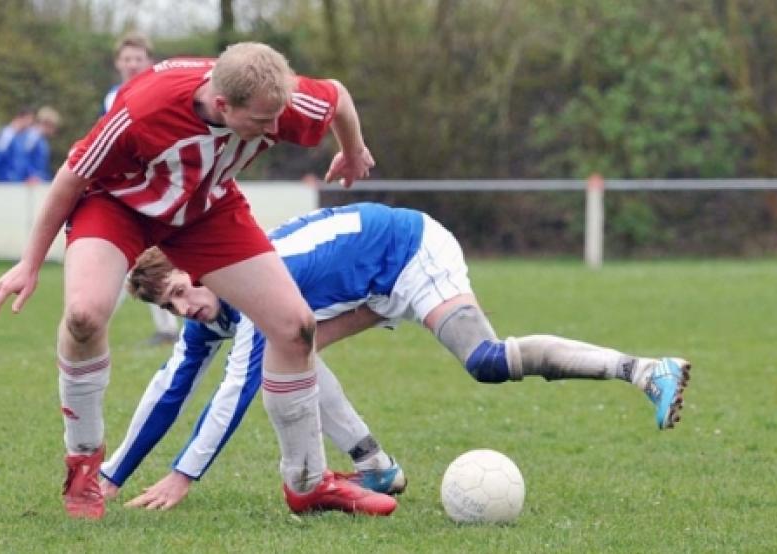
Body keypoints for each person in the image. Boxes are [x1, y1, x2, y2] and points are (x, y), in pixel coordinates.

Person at [0, 42, 386, 520]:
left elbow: (336, 96)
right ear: (222, 106)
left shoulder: (275, 98)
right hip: (117, 206)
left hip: (205, 210)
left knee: (295, 327)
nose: (275, 129)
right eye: (261, 122)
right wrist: (30, 263)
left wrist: (353, 149)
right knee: (84, 316)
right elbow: (72, 176)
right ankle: (84, 464)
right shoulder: (142, 110)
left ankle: (307, 483)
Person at [105, 202, 691, 511]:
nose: (184, 307)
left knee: (485, 360)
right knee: (294, 360)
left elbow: (231, 391)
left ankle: (642, 369)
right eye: (169, 304)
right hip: (367, 285)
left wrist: (182, 477)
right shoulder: (212, 302)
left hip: (408, 251)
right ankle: (376, 466)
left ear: (200, 267)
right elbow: (170, 388)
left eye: (182, 289)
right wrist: (109, 478)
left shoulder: (255, 280)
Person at [103, 32, 181, 346]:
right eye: (127, 59)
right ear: (118, 63)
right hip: (133, 189)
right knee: (139, 257)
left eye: (138, 58)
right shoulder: (112, 98)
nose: (132, 64)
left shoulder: (162, 89)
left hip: (164, 186)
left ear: (149, 61)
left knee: (147, 257)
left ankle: (97, 318)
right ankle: (167, 326)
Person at [0, 108, 34, 183]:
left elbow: (22, 160)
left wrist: (31, 175)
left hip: (17, 182)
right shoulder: (7, 135)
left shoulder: (21, 137)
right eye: (28, 120)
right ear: (20, 118)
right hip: (6, 183)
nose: (30, 124)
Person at [13, 106, 61, 183]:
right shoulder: (33, 137)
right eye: (53, 127)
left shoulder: (41, 140)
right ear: (47, 124)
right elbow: (22, 158)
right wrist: (30, 175)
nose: (54, 131)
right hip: (28, 182)